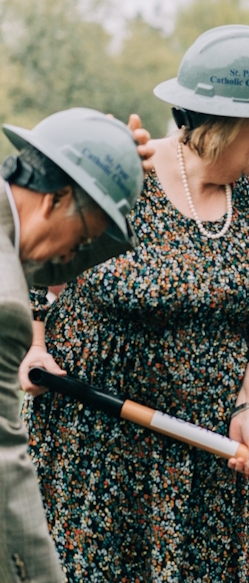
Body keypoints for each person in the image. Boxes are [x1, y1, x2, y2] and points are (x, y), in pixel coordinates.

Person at [20, 25, 249, 582]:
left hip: (205, 460)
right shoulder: (131, 176)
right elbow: (38, 255)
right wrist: (34, 347)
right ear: (225, 123)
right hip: (96, 448)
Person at [1, 108, 150, 583]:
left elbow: (46, 265)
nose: (76, 258)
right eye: (84, 238)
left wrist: (110, 165)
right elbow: (6, 470)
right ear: (56, 197)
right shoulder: (7, 307)